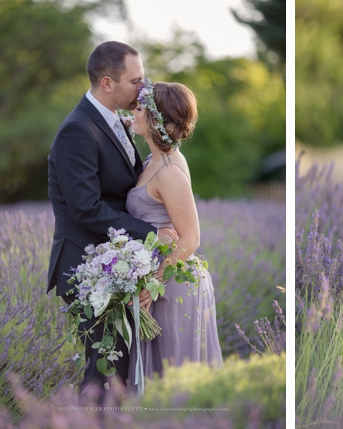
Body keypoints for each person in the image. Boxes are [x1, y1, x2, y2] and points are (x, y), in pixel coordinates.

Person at [47, 41, 178, 396]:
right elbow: (86, 208)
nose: (144, 87)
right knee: (106, 371)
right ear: (107, 83)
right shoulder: (78, 131)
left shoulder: (115, 121)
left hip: (119, 263)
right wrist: (152, 232)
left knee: (122, 370)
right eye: (135, 80)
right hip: (88, 266)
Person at [125, 79, 223, 387]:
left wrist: (152, 283)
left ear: (154, 119)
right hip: (161, 278)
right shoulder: (155, 159)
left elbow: (191, 238)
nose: (133, 112)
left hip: (172, 283)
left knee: (173, 378)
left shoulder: (169, 170)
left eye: (140, 108)